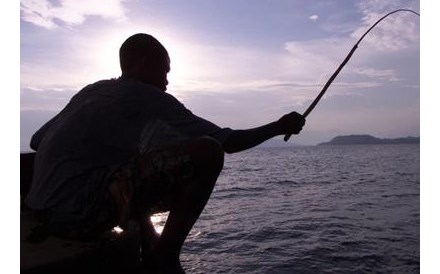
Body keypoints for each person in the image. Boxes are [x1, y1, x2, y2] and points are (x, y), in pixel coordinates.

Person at [25, 33, 305, 273]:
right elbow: (227, 142)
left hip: (39, 209)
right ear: (145, 63)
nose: (167, 81)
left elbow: (37, 141)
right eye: (165, 71)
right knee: (206, 151)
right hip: (77, 217)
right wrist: (279, 126)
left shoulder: (92, 90)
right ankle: (164, 261)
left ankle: (149, 239)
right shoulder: (146, 97)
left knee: (133, 163)